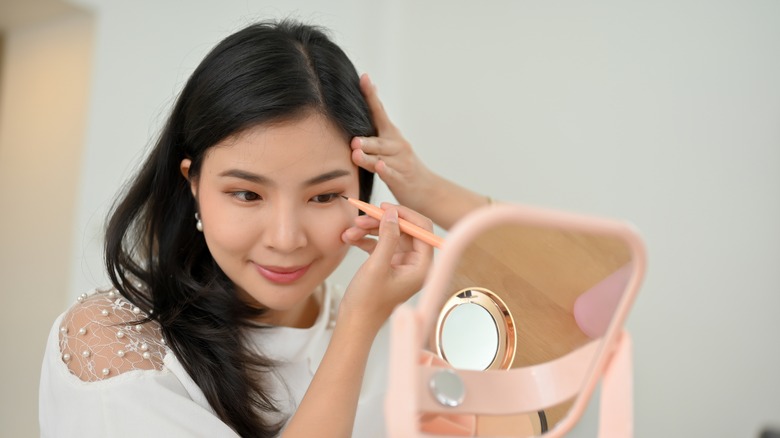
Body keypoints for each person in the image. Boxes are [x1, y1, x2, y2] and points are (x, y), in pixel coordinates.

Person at [39, 19, 491, 437]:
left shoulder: (401, 336)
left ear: (363, 197)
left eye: (324, 196)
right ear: (192, 183)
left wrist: (427, 189)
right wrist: (359, 327)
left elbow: (563, 294)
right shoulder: (112, 346)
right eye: (247, 195)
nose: (285, 238)